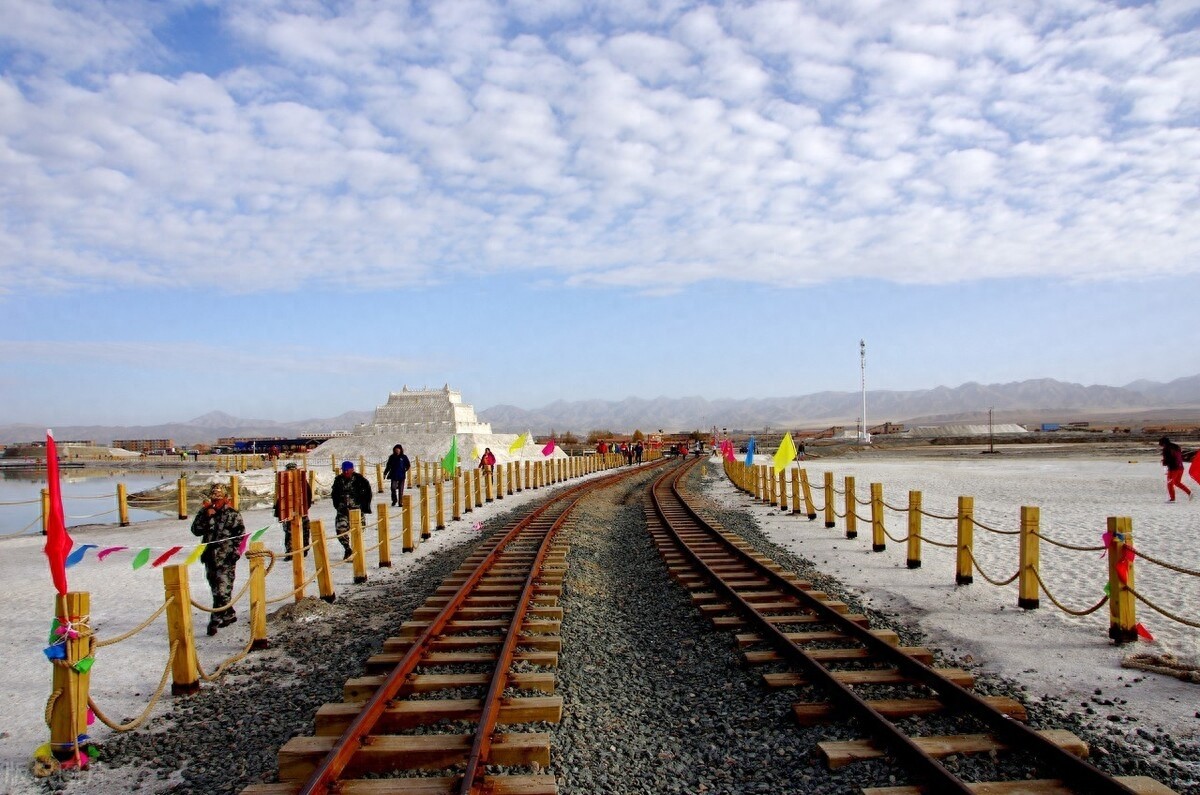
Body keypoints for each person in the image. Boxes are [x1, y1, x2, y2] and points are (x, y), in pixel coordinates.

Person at [190, 483, 245, 636]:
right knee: (216, 590)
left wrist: (236, 552)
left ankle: (214, 620)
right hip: (209, 557)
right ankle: (229, 614)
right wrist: (207, 516)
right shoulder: (205, 511)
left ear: (225, 497)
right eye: (214, 496)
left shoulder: (233, 514)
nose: (216, 499)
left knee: (222, 591)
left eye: (219, 497)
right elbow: (196, 531)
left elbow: (240, 535)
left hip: (226, 558)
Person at [330, 460, 371, 559]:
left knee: (358, 531)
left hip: (356, 510)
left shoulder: (359, 479)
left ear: (352, 469)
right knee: (340, 530)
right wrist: (337, 505)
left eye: (347, 470)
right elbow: (334, 494)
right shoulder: (338, 480)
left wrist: (365, 506)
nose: (345, 472)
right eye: (344, 470)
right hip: (342, 510)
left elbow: (368, 492)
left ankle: (357, 552)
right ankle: (347, 549)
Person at [274, 462, 312, 560]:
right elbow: (281, 498)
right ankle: (290, 551)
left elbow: (308, 495)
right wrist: (280, 512)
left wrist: (305, 508)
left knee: (305, 530)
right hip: (288, 512)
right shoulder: (284, 483)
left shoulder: (303, 482)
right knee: (289, 532)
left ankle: (304, 549)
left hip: (301, 511)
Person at [1159, 437, 1193, 502]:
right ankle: (1189, 493)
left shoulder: (1166, 449)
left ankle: (1172, 499)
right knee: (1177, 482)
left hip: (1173, 468)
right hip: (1180, 468)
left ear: (1163, 443)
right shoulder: (1176, 446)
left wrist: (1164, 462)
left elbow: (1169, 458)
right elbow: (1177, 456)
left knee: (1170, 483)